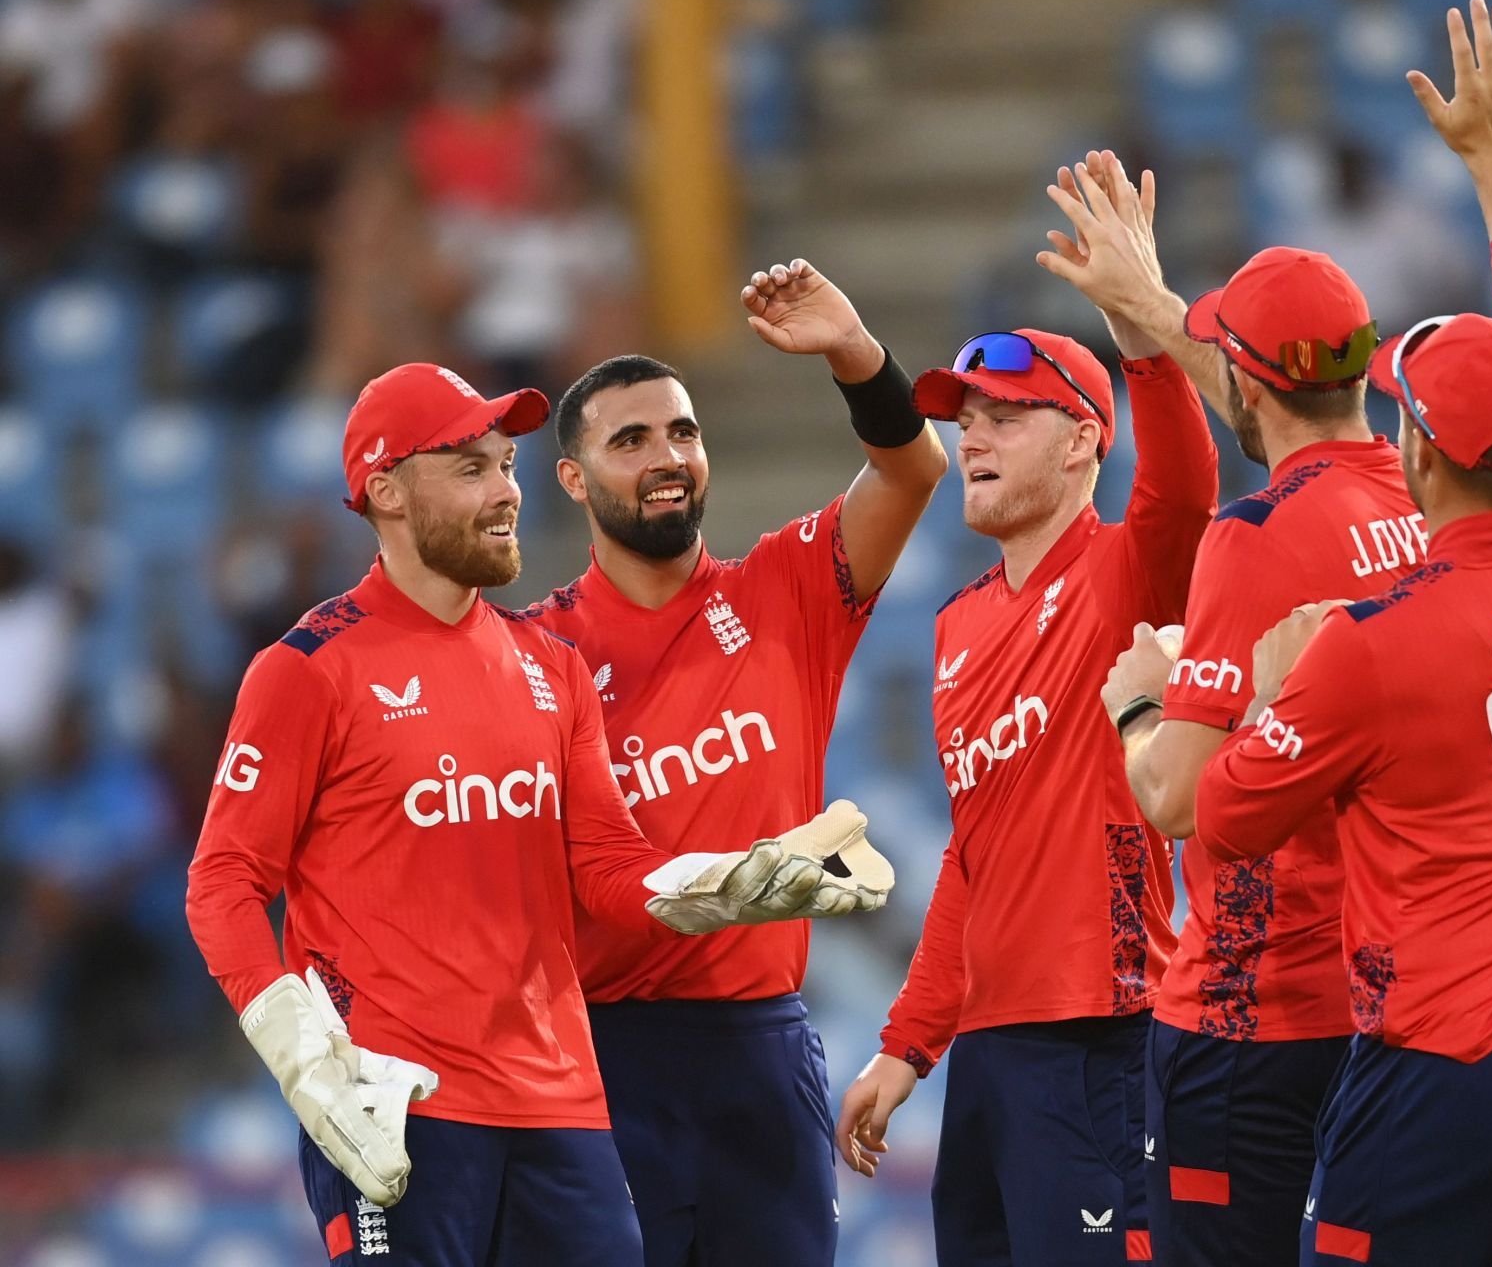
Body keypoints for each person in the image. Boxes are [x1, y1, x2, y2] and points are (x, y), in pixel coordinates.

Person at [184, 362, 884, 1266]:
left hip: (564, 1109)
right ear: (386, 490)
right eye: (471, 469)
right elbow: (224, 883)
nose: (507, 491)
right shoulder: (308, 668)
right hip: (396, 1103)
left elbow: (604, 863)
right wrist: (303, 1055)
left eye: (507, 464)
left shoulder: (549, 669)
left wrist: (726, 884)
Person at [1191, 0, 1492, 1264]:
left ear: (1414, 447)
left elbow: (1229, 815)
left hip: (1443, 1076)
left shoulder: (1368, 642)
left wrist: (1255, 689)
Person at [1041, 155, 1427, 1266]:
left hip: (1242, 1020)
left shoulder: (1254, 541)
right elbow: (1279, 409)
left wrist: (1139, 699)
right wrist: (1146, 306)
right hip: (1377, 1010)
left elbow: (1174, 798)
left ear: (1248, 387)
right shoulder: (1418, 494)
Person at [521, 258, 944, 1267]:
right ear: (574, 479)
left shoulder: (785, 589)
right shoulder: (529, 657)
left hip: (762, 1047)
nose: (667, 456)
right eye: (631, 440)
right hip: (605, 1051)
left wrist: (854, 352)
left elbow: (913, 468)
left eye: (683, 431)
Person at [836, 249, 1219, 1264]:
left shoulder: (1123, 569)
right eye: (966, 419)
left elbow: (1185, 489)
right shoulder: (958, 624)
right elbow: (977, 853)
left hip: (1105, 1034)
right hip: (991, 1059)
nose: (974, 438)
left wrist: (1140, 332)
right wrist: (907, 1041)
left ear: (1085, 440)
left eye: (1006, 416)